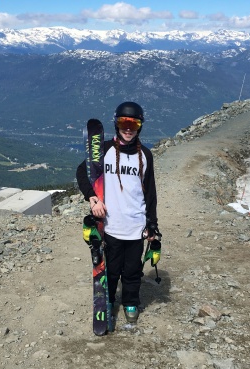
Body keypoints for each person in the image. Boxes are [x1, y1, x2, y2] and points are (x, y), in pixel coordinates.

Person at [76, 101, 158, 324]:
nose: (128, 128)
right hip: (110, 226)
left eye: (134, 123)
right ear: (116, 123)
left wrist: (152, 224)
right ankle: (108, 300)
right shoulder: (104, 151)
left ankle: (130, 301)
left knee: (132, 270)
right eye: (124, 122)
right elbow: (81, 172)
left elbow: (150, 193)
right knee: (110, 270)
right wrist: (92, 198)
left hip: (135, 226)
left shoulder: (145, 156)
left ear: (140, 126)